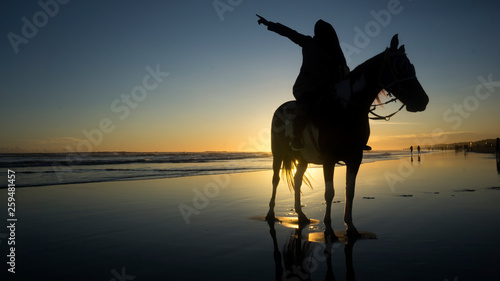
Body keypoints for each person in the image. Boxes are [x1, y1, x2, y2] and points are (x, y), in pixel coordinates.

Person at [257, 15, 349, 150]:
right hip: (307, 87)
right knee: (306, 107)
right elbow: (290, 33)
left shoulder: (334, 51)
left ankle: (351, 139)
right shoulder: (309, 43)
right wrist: (269, 24)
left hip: (327, 88)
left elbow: (344, 70)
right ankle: (297, 137)